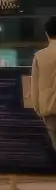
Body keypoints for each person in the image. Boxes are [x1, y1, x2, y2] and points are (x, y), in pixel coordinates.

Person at [31, 16, 56, 148]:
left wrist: (37, 109)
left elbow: (34, 86)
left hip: (50, 111)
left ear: (47, 34)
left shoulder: (39, 56)